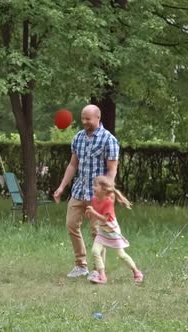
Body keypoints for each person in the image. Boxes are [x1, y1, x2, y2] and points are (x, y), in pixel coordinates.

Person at [53, 104, 119, 278]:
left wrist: (107, 191)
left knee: (97, 231)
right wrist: (61, 187)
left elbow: (112, 170)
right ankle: (81, 265)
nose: (84, 122)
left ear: (98, 118)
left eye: (88, 119)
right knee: (71, 225)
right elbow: (73, 164)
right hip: (79, 191)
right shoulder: (78, 138)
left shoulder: (108, 140)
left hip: (98, 195)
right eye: (82, 118)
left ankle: (98, 271)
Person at [85, 175, 143, 284]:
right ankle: (102, 276)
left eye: (95, 186)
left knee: (121, 254)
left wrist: (93, 212)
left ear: (103, 189)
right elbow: (96, 215)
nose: (93, 188)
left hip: (112, 231)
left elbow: (105, 219)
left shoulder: (108, 202)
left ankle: (136, 272)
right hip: (102, 230)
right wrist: (90, 214)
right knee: (95, 251)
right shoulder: (94, 199)